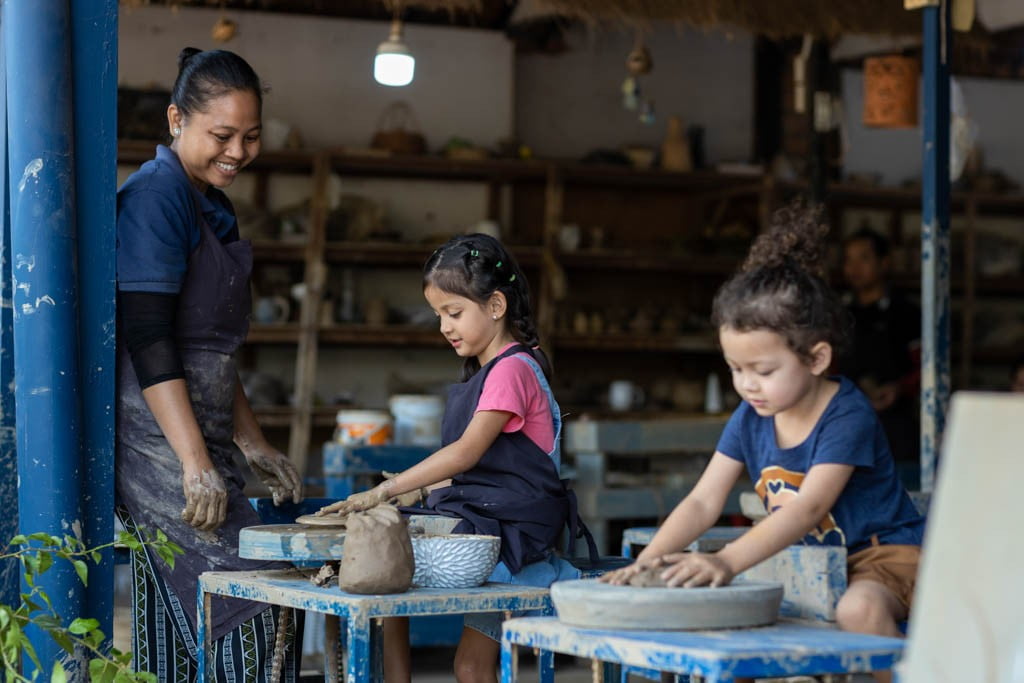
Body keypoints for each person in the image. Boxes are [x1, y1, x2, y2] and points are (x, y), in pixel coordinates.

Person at [601, 204, 925, 683]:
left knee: (857, 610)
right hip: (808, 562)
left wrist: (727, 561)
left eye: (764, 371)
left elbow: (807, 509)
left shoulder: (847, 414)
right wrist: (643, 568)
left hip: (882, 558)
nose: (747, 385)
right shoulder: (751, 416)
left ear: (816, 358)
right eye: (735, 369)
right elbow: (702, 501)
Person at [317, 234, 595, 683]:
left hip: (513, 529)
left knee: (393, 562)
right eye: (438, 316)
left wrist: (387, 489)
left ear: (496, 306)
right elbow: (486, 471)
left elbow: (467, 454)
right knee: (394, 554)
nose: (445, 326)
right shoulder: (494, 369)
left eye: (454, 313)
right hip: (491, 514)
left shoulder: (511, 370)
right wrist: (423, 487)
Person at [115, 48, 303, 681]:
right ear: (176, 120)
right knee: (263, 603)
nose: (238, 151)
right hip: (158, 443)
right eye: (222, 135)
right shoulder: (155, 196)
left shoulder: (211, 205)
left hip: (204, 439)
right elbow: (149, 336)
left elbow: (212, 349)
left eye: (251, 137)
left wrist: (253, 444)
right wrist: (195, 464)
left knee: (177, 613)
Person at [839, 228, 921, 462]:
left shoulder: (906, 313)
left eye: (863, 258)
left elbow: (925, 368)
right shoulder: (841, 315)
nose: (854, 268)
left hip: (897, 427)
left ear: (884, 263)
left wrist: (898, 389)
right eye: (848, 260)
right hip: (848, 424)